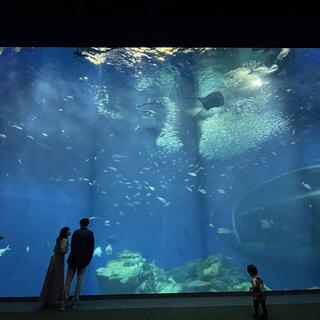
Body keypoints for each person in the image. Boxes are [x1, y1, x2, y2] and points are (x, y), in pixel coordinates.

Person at [65, 218, 94, 308]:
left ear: (80, 224)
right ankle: (75, 300)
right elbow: (91, 249)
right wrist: (87, 261)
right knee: (79, 280)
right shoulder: (90, 234)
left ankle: (64, 299)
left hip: (73, 260)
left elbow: (72, 246)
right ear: (87, 224)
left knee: (68, 280)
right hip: (83, 262)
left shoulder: (76, 232)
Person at [40, 227, 71, 310]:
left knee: (50, 278)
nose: (70, 231)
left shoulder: (59, 238)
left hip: (54, 259)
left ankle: (46, 299)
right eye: (69, 230)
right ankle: (59, 301)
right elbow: (62, 250)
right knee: (58, 279)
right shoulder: (65, 240)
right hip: (59, 261)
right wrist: (67, 249)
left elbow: (55, 249)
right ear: (65, 232)